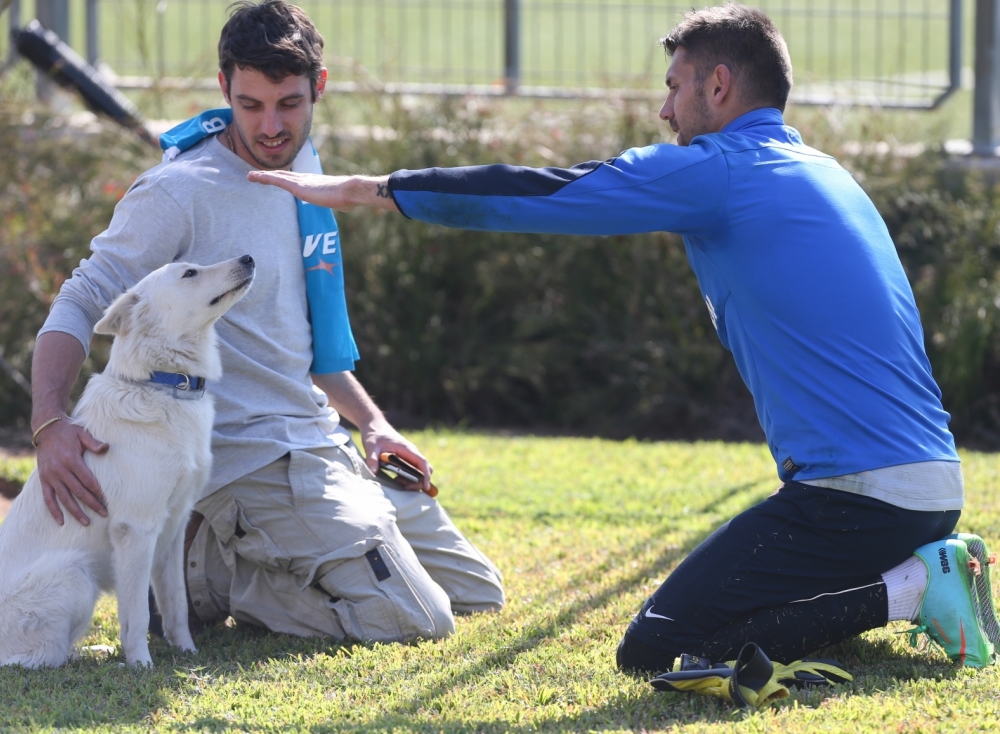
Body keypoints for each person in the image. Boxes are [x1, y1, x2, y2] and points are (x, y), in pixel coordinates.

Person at [248, 2, 999, 683]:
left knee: (659, 647)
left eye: (675, 87)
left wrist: (371, 190)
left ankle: (912, 590)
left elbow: (547, 193)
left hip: (856, 500)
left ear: (719, 86)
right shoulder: (820, 169)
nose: (663, 107)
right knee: (733, 619)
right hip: (923, 490)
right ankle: (911, 570)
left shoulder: (721, 171)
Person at [30, 0, 504, 644]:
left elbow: (296, 345)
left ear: (319, 88)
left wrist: (373, 424)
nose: (272, 124)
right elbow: (80, 300)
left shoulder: (303, 170)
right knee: (415, 618)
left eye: (289, 103)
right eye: (251, 105)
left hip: (320, 442)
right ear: (224, 88)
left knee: (478, 595)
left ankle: (224, 562)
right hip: (247, 462)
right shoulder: (177, 190)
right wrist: (50, 421)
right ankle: (210, 574)